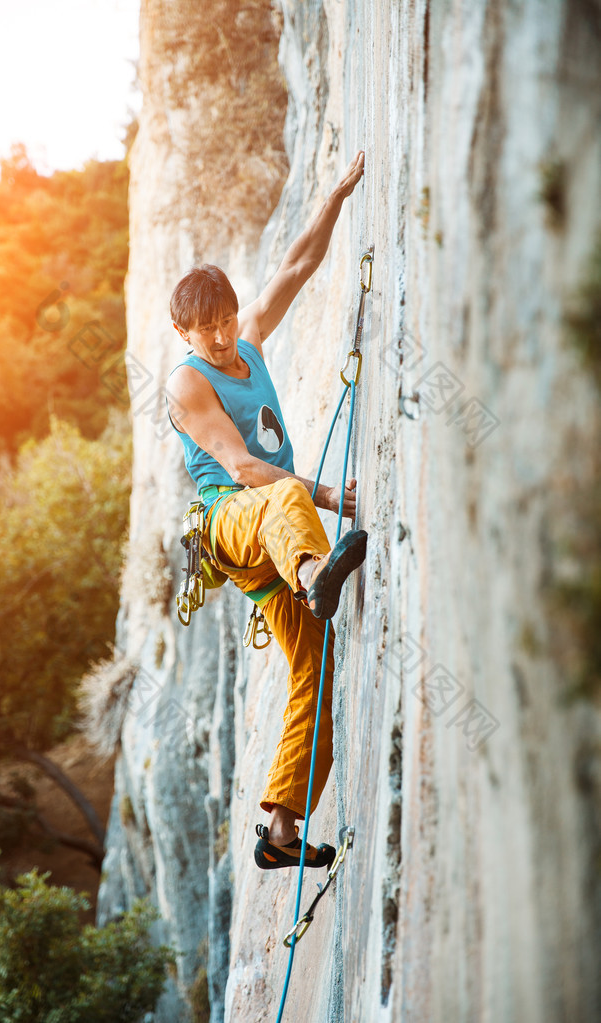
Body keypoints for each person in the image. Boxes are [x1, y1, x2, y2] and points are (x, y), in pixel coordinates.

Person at [167, 152, 368, 870]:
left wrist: (337, 196)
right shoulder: (187, 385)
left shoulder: (247, 338)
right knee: (279, 488)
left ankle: (281, 830)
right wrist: (324, 498)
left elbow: (296, 266)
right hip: (233, 522)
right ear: (184, 333)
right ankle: (317, 570)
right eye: (206, 332)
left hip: (273, 537)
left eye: (224, 322)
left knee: (315, 659)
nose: (221, 339)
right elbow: (246, 470)